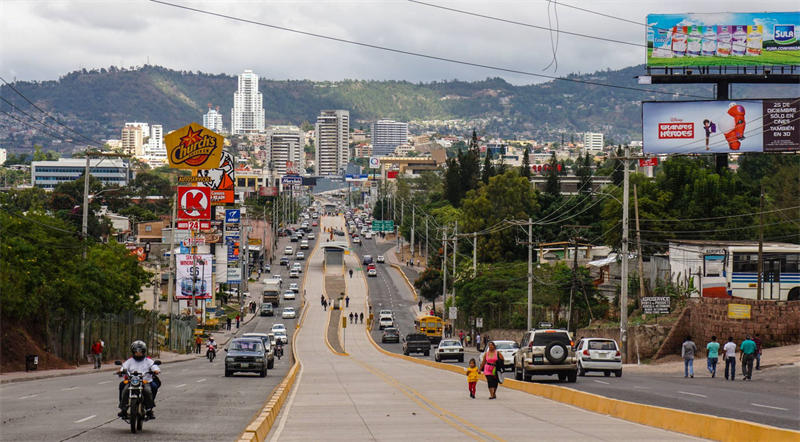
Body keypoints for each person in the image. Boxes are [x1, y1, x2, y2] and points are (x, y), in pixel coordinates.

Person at [118, 340, 160, 420]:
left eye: (140, 351)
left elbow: (154, 366)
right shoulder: (129, 361)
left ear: (144, 351)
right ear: (133, 352)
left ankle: (149, 409)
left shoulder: (148, 360)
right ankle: (123, 408)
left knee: (150, 389)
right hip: (132, 382)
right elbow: (123, 367)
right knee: (124, 388)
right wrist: (121, 371)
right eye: (136, 351)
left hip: (145, 381)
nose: (138, 353)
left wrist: (156, 370)